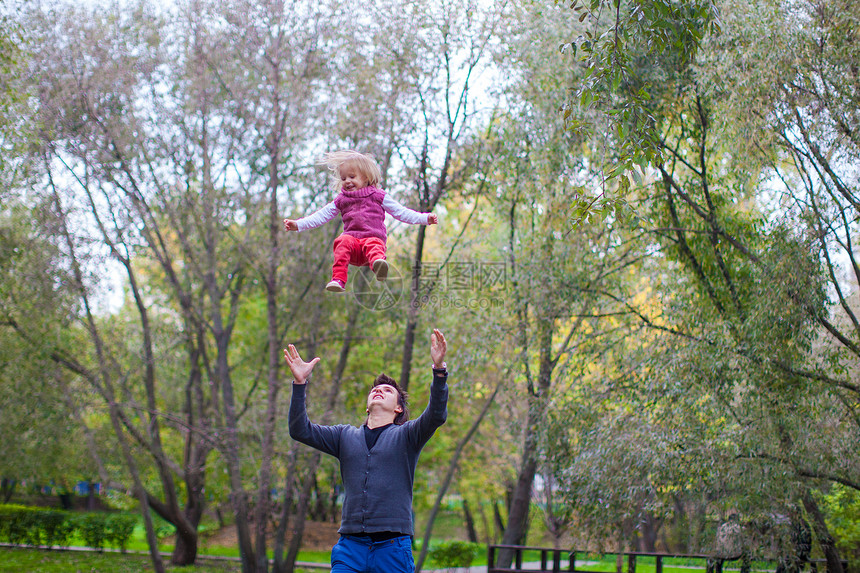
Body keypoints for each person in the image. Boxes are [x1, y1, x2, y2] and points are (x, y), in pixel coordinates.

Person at [284, 329, 449, 573]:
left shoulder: (407, 436)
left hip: (392, 549)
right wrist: (299, 384)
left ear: (398, 410)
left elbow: (436, 414)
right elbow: (300, 430)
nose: (379, 390)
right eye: (375, 390)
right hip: (350, 549)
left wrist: (439, 371)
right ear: (366, 406)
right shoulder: (344, 436)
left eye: (388, 391)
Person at [283, 150, 438, 293]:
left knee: (373, 242)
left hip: (372, 244)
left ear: (366, 177)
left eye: (352, 177)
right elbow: (320, 216)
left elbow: (401, 212)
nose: (347, 181)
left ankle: (378, 264)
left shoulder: (378, 196)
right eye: (343, 178)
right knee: (342, 240)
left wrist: (424, 218)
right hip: (353, 248)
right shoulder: (342, 200)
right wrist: (298, 225)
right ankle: (338, 279)